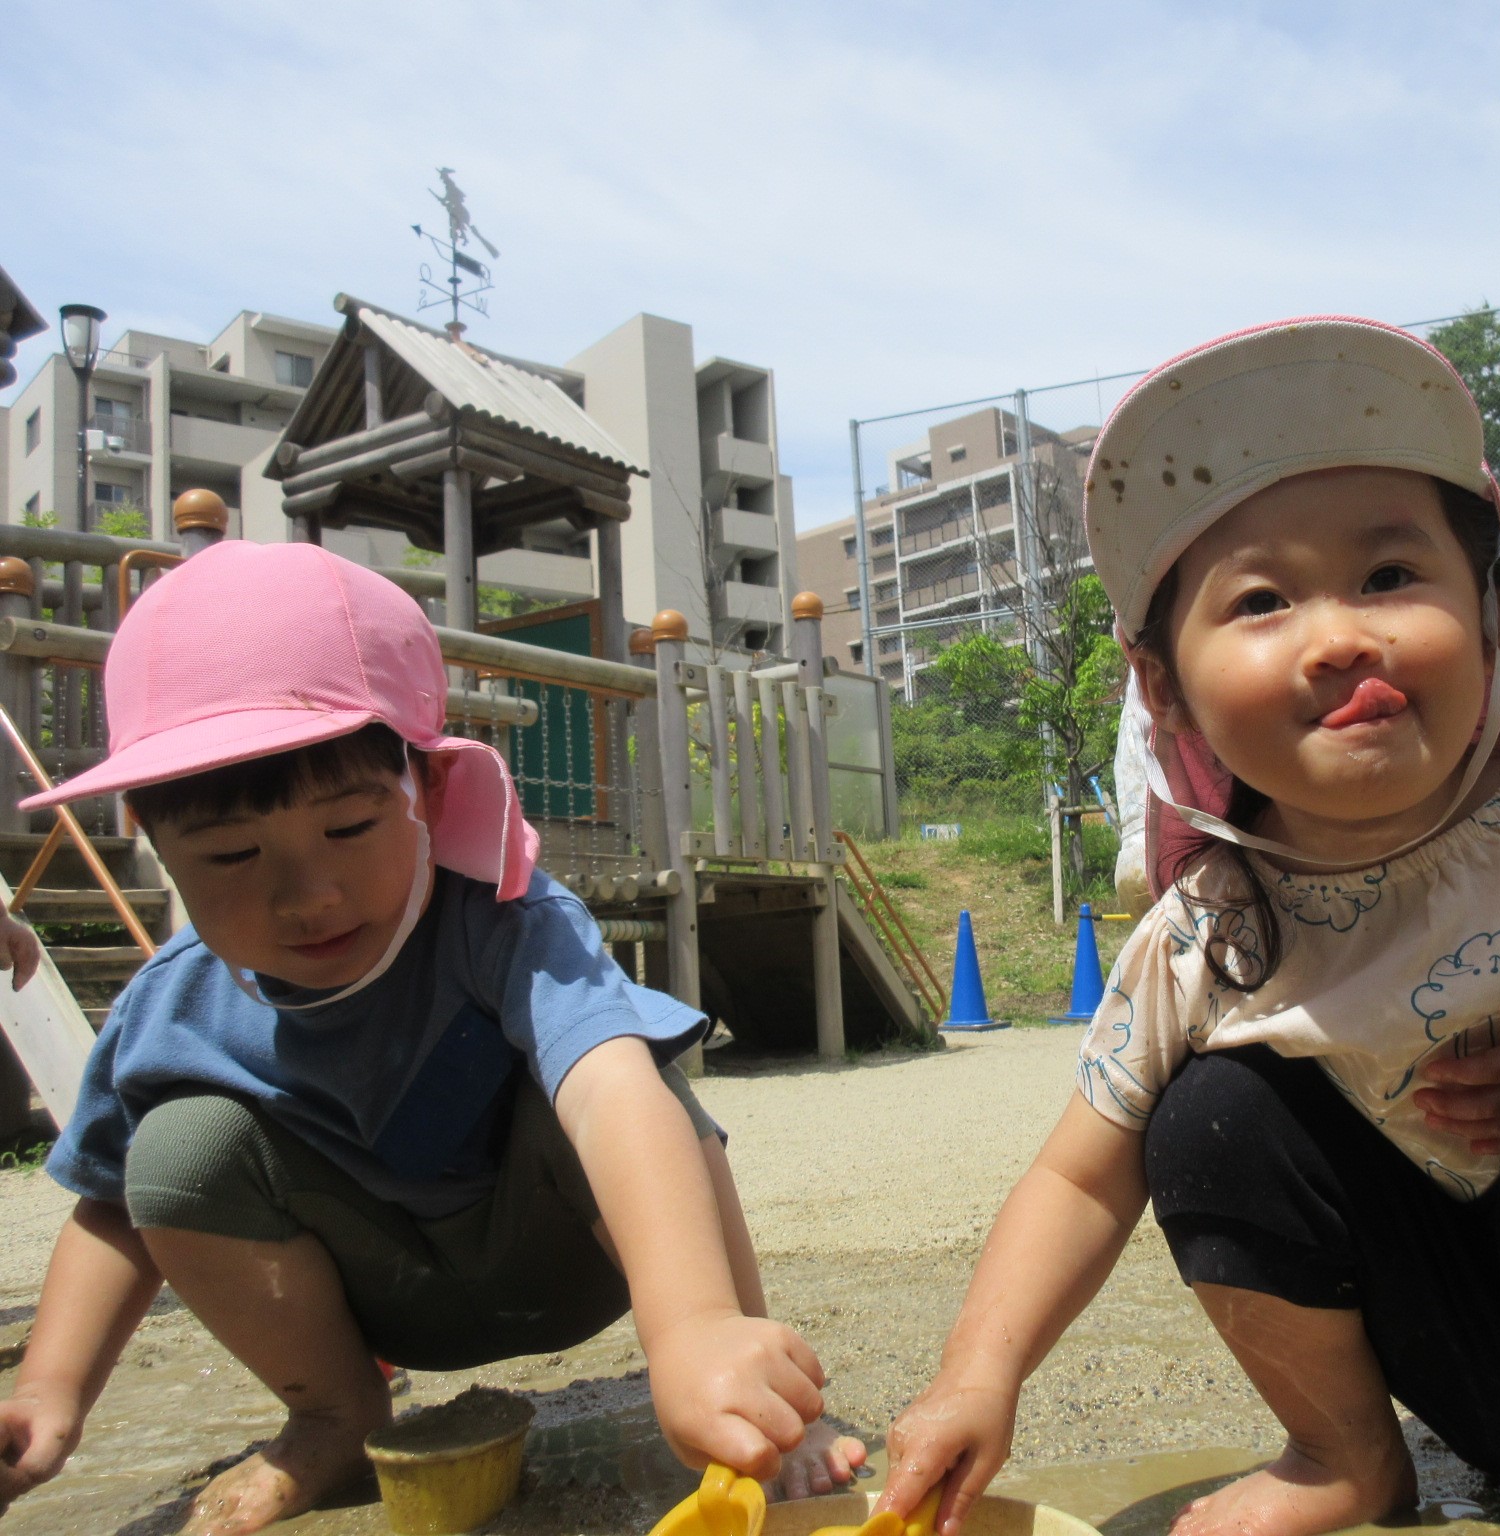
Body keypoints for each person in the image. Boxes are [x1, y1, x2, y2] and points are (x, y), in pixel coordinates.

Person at [880, 318, 1500, 1536]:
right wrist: (976, 1377)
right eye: (1261, 599)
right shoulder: (1211, 935)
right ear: (1164, 687)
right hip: (1446, 1351)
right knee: (1207, 1111)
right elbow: (1077, 1177)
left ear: (1493, 613)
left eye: (1391, 576)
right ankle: (1344, 1453)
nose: (1342, 634)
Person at [0, 543, 862, 1535]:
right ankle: (333, 1418)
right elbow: (114, 1210)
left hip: (558, 1258)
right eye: (232, 854)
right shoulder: (169, 1007)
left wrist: (694, 1326)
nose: (308, 894)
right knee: (172, 1149)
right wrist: (48, 1396)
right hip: (378, 1301)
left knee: (628, 1071)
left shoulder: (503, 921)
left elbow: (609, 1094)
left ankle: (746, 1377)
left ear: (432, 791)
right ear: (157, 844)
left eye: (350, 829)